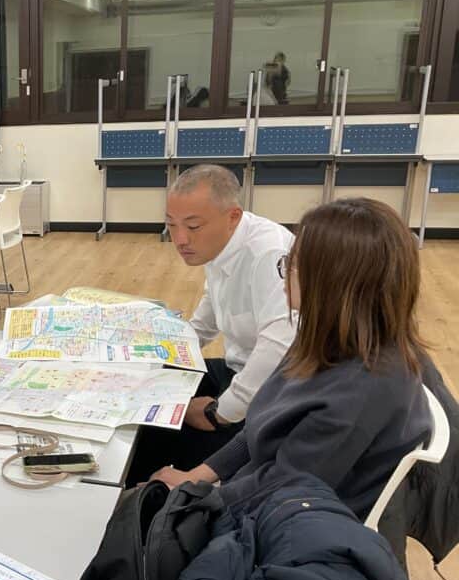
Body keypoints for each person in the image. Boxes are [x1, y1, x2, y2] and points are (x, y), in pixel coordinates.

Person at [152, 198, 432, 521]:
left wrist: (190, 496)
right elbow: (259, 428)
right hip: (262, 491)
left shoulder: (360, 391)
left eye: (294, 265)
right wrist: (196, 476)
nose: (283, 275)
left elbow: (281, 488)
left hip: (291, 521)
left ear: (333, 282)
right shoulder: (323, 340)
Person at [125, 165, 295, 485]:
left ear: (233, 217)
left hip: (269, 397)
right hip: (237, 370)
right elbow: (206, 318)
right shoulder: (219, 246)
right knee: (151, 388)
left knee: (154, 436)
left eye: (193, 226)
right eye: (171, 225)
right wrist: (152, 353)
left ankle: (143, 496)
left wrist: (217, 413)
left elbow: (276, 352)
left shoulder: (267, 253)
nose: (180, 239)